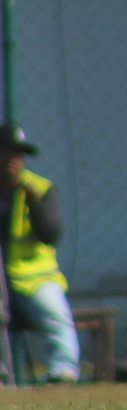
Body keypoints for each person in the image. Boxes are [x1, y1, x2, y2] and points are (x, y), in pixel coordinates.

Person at [1, 124, 80, 384]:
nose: (13, 159)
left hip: (33, 277)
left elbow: (51, 235)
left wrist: (34, 203)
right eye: (7, 152)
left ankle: (63, 371)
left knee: (56, 314)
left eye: (18, 154)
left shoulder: (40, 188)